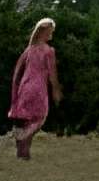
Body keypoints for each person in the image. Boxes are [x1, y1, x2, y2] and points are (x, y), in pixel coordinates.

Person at [7, 18, 60, 160]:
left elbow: (17, 71)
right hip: (38, 89)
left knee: (26, 120)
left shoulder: (29, 50)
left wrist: (16, 90)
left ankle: (23, 154)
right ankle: (23, 137)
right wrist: (56, 90)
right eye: (51, 31)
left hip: (25, 88)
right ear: (44, 32)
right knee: (39, 118)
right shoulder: (49, 51)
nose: (52, 34)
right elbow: (52, 74)